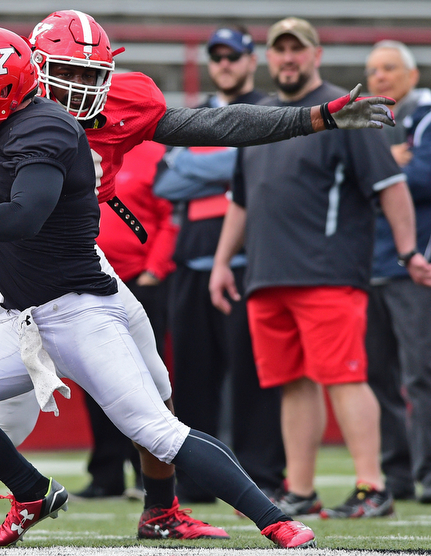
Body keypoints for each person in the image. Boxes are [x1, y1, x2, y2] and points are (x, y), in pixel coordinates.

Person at [0, 25, 319, 549]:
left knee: (156, 426)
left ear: (2, 88)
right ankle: (31, 493)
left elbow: (25, 215)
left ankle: (273, 519)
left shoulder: (46, 128)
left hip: (80, 312)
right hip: (22, 316)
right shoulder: (3, 127)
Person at [0, 9, 395, 535]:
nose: (80, 87)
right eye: (67, 73)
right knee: (8, 420)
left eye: (91, 74)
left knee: (153, 379)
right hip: (5, 271)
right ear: (33, 68)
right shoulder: (1, 106)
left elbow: (211, 124)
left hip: (80, 263)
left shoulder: (120, 101)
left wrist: (314, 117)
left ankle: (160, 509)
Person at [209, 16, 431, 519]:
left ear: (316, 55)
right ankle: (302, 490)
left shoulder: (346, 111)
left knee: (345, 377)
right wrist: (223, 263)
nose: (288, 58)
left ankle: (372, 487)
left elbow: (390, 185)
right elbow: (240, 201)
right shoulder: (260, 114)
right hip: (266, 273)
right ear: (268, 57)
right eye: (279, 49)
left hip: (327, 272)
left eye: (297, 49)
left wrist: (409, 252)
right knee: (292, 381)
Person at [153, 26, 285, 503]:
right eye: (217, 56)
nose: (225, 63)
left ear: (253, 61)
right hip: (190, 264)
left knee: (254, 377)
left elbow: (262, 168)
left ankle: (262, 476)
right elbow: (165, 182)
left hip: (250, 263)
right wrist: (232, 162)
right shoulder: (195, 114)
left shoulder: (271, 112)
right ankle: (197, 481)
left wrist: (200, 164)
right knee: (191, 377)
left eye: (234, 56)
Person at [75, 140, 177, 501]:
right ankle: (106, 474)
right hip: (88, 278)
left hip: (138, 279)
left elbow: (170, 217)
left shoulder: (154, 154)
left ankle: (147, 474)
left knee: (144, 377)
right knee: (93, 376)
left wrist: (154, 270)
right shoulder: (76, 144)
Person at [364, 40, 431, 503]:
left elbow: (425, 175)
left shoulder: (425, 115)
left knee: (420, 375)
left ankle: (428, 472)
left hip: (413, 266)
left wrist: (380, 170)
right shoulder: (367, 122)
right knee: (377, 379)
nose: (380, 77)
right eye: (373, 70)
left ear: (412, 74)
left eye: (390, 68)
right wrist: (393, 164)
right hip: (369, 267)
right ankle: (399, 474)